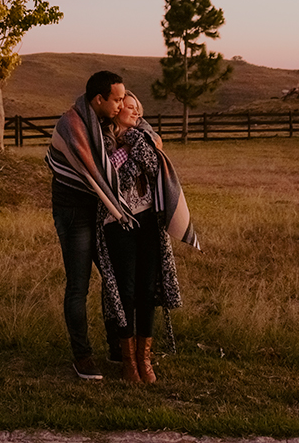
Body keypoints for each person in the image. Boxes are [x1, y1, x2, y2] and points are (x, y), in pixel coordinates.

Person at [96, 89, 200, 384]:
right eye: (129, 107)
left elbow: (155, 168)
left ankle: (145, 359)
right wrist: (132, 154)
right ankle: (128, 361)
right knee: (125, 292)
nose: (135, 112)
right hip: (117, 222)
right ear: (117, 110)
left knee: (146, 291)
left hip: (148, 221)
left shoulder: (144, 138)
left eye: (138, 109)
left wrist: (136, 144)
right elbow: (115, 184)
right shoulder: (103, 142)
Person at [46, 70, 127, 380]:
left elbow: (137, 128)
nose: (121, 105)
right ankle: (82, 356)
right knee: (79, 285)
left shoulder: (103, 123)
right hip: (74, 212)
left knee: (114, 278)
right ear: (99, 99)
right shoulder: (72, 125)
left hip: (100, 211)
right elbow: (95, 171)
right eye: (117, 99)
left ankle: (116, 346)